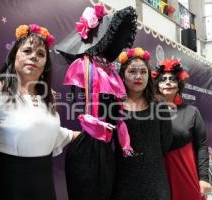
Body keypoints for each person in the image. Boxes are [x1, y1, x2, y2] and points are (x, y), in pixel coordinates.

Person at [55, 4, 138, 200]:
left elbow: (117, 116)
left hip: (107, 149)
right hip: (87, 149)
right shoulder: (82, 66)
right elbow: (81, 105)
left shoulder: (110, 71)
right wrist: (97, 124)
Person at [0, 23, 79, 200]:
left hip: (43, 184)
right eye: (27, 51)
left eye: (40, 54)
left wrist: (87, 135)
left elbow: (47, 132)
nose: (33, 57)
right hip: (8, 185)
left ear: (45, 64)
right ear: (14, 56)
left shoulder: (49, 96)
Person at [113, 47, 172, 200]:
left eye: (143, 72)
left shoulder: (159, 104)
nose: (138, 76)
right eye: (132, 72)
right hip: (122, 180)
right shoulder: (113, 105)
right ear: (123, 76)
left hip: (155, 180)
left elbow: (165, 142)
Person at [152, 58, 211, 200]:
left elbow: (201, 146)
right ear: (157, 85)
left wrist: (203, 178)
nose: (167, 82)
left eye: (172, 79)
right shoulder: (149, 111)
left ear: (178, 85)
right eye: (163, 79)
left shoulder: (192, 111)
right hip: (157, 176)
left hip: (184, 174)